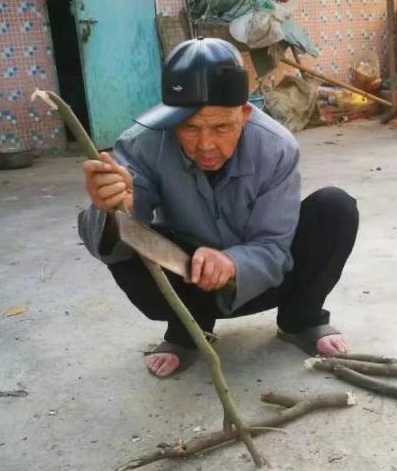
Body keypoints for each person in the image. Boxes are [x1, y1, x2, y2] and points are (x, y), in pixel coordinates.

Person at [78, 38, 358, 378]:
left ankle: (300, 318)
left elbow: (273, 247)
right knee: (124, 238)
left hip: (263, 281)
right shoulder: (142, 143)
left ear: (245, 114)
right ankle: (186, 330)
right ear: (171, 120)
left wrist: (232, 263)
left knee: (335, 209)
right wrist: (111, 208)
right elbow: (112, 240)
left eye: (222, 126)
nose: (206, 144)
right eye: (190, 127)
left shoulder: (276, 147)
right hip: (188, 280)